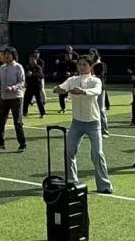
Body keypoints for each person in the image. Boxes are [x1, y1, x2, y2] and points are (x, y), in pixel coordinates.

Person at [56, 56, 112, 192]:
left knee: (97, 154)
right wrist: (59, 89)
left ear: (90, 66)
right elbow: (62, 87)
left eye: (84, 64)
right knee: (69, 151)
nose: (81, 67)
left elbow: (97, 91)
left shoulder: (96, 80)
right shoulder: (72, 80)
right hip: (76, 123)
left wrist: (83, 92)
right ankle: (71, 181)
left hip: (93, 123)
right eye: (79, 64)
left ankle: (104, 185)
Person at [0, 48, 26, 152]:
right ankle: (1, 144)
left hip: (16, 98)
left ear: (13, 55)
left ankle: (22, 145)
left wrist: (12, 88)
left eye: (8, 54)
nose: (6, 56)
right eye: (5, 54)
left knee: (17, 122)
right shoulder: (2, 67)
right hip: (4, 98)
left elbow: (22, 82)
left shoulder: (18, 67)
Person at [89, 49, 110, 134]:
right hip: (91, 89)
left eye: (92, 54)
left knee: (101, 109)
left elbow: (101, 75)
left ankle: (104, 131)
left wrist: (93, 76)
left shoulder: (101, 64)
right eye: (90, 54)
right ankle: (94, 129)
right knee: (91, 109)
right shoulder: (88, 64)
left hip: (100, 88)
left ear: (96, 55)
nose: (91, 55)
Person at [23, 52, 47, 119]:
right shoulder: (27, 67)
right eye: (30, 60)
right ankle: (24, 112)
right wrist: (26, 81)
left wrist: (32, 74)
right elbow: (25, 75)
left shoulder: (38, 67)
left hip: (37, 87)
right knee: (26, 100)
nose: (31, 61)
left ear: (35, 60)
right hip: (29, 86)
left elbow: (40, 75)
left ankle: (42, 113)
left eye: (32, 59)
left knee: (39, 101)